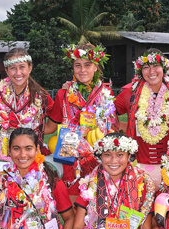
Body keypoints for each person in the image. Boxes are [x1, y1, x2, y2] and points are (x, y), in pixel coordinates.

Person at [45, 44, 118, 198]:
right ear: (73, 68)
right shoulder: (63, 94)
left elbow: (112, 126)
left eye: (87, 65)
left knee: (100, 200)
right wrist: (27, 125)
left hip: (98, 155)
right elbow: (50, 126)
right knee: (72, 202)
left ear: (96, 67)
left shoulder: (106, 93)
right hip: (70, 154)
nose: (82, 70)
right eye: (78, 65)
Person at [114, 48, 169, 186]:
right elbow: (109, 111)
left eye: (156, 66)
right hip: (138, 165)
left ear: (164, 68)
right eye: (146, 67)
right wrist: (123, 129)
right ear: (140, 70)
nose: (151, 72)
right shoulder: (130, 94)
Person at [0, 48, 53, 160]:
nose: (18, 73)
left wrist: (34, 128)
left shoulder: (41, 96)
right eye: (12, 68)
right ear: (6, 71)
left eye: (22, 67)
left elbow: (54, 121)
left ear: (30, 68)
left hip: (26, 153)